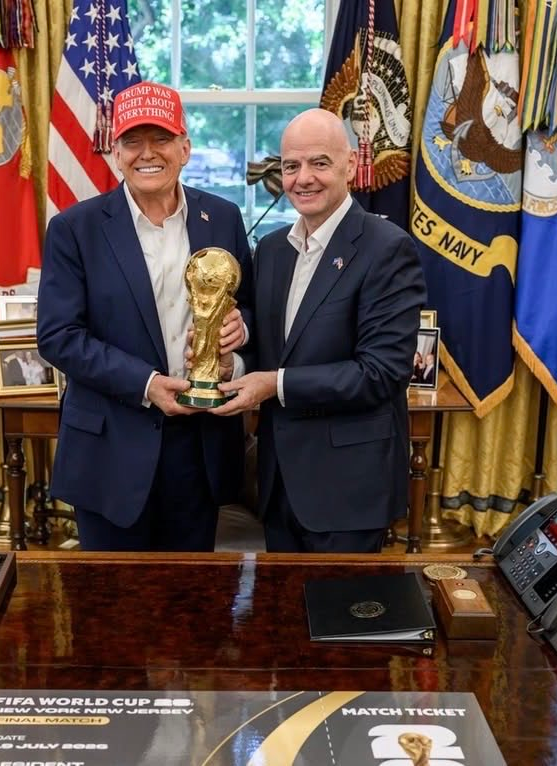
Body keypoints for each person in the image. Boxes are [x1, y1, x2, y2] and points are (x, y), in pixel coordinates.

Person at [37, 82, 253, 552]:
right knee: (111, 603)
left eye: (161, 139)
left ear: (185, 147)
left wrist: (241, 332)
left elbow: (249, 303)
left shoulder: (224, 217)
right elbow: (58, 336)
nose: (147, 153)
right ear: (116, 152)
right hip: (110, 448)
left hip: (199, 446)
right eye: (133, 141)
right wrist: (146, 382)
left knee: (193, 600)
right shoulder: (75, 229)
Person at [214, 108, 426, 554]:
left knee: (341, 620)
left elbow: (381, 373)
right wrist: (233, 352)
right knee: (282, 619)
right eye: (291, 166)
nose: (302, 178)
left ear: (349, 165)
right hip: (277, 484)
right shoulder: (272, 250)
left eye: (319, 163)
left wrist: (274, 384)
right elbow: (272, 343)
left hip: (348, 488)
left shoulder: (388, 249)